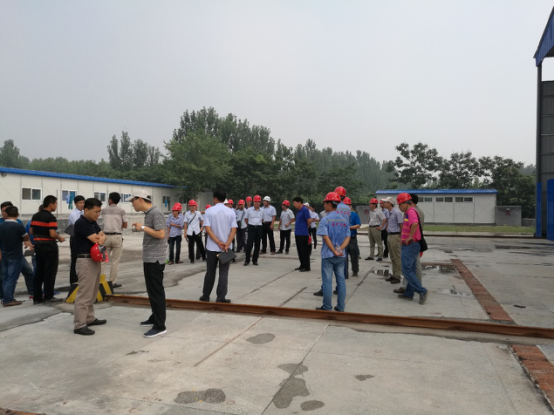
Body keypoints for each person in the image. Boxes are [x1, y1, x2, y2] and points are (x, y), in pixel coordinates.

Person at [129, 190, 168, 338]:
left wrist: (143, 228)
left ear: (140, 199)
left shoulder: (155, 213)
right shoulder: (149, 214)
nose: (132, 204)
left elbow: (161, 234)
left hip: (155, 259)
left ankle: (160, 325)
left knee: (156, 292)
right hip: (150, 258)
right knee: (152, 291)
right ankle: (154, 317)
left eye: (133, 201)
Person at [73, 198, 107, 335]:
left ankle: (89, 318)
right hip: (85, 261)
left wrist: (101, 237)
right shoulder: (81, 223)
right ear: (86, 210)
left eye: (99, 212)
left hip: (94, 260)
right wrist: (100, 237)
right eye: (96, 212)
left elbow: (102, 235)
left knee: (92, 292)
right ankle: (79, 325)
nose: (98, 214)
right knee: (85, 294)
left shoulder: (92, 222)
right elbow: (97, 239)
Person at [199, 190, 237, 303]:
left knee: (210, 272)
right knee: (223, 273)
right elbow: (233, 230)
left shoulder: (209, 211)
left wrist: (217, 242)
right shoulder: (231, 212)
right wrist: (227, 244)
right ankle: (221, 297)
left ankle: (206, 296)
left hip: (212, 247)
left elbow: (208, 229)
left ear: (215, 198)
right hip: (226, 249)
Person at [315, 192, 350, 312]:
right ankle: (341, 307)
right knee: (341, 281)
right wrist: (340, 249)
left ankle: (327, 306)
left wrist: (333, 251)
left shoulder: (325, 220)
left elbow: (325, 237)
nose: (324, 205)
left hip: (328, 255)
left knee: (327, 281)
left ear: (329, 204)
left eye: (325, 203)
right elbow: (347, 237)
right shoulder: (344, 220)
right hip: (341, 255)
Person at [31, 195, 65, 304]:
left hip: (38, 247)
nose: (56, 206)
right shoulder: (51, 217)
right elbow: (52, 234)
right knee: (50, 272)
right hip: (50, 248)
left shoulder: (35, 216)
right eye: (56, 204)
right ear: (51, 205)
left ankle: (37, 297)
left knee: (39, 272)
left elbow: (31, 231)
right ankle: (48, 296)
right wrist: (60, 238)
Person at [397, 193, 429, 305]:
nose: (399, 207)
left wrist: (410, 237)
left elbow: (414, 224)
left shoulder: (411, 211)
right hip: (412, 244)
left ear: (406, 203)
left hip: (411, 245)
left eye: (400, 204)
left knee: (406, 269)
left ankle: (422, 291)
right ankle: (409, 294)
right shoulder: (409, 211)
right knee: (411, 270)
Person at [1, 201, 34, 300]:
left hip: (16, 254)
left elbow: (23, 237)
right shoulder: (2, 223)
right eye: (3, 211)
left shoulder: (18, 222)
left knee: (28, 272)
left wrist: (27, 243)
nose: (4, 213)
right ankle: (6, 298)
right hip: (6, 254)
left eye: (6, 210)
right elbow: (25, 236)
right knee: (8, 277)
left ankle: (33, 293)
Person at [101, 192, 127, 288]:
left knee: (103, 260)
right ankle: (112, 282)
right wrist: (117, 226)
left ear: (110, 200)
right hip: (117, 236)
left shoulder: (104, 210)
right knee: (115, 261)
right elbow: (125, 225)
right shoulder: (121, 211)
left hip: (105, 237)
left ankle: (100, 281)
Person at [382, 197, 403, 285]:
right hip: (390, 235)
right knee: (392, 257)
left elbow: (401, 225)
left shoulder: (397, 213)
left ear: (390, 203)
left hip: (395, 236)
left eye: (385, 202)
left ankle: (397, 276)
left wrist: (401, 237)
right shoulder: (389, 213)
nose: (384, 203)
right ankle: (394, 274)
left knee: (396, 257)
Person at [292, 197, 313, 272]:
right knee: (300, 250)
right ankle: (302, 264)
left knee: (304, 251)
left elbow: (308, 221)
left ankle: (306, 266)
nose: (294, 204)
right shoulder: (299, 211)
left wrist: (305, 229)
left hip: (303, 234)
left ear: (299, 202)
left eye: (295, 203)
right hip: (298, 233)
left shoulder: (305, 210)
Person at [68, 195, 85, 285]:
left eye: (83, 203)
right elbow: (79, 226)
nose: (82, 204)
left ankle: (81, 277)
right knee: (75, 259)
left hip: (83, 238)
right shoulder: (73, 214)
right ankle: (73, 280)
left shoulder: (84, 213)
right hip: (75, 238)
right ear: (75, 204)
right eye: (80, 203)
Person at [244, 195, 263, 266]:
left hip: (259, 228)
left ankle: (255, 260)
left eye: (258, 202)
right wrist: (249, 225)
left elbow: (262, 219)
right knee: (249, 244)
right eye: (255, 202)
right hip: (251, 228)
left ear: (260, 203)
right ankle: (247, 260)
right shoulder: (249, 210)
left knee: (257, 244)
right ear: (253, 202)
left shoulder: (262, 211)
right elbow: (246, 219)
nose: (256, 203)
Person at [344, 197, 361, 277]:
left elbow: (358, 225)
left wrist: (349, 227)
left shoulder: (354, 215)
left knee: (354, 256)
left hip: (352, 238)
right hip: (343, 238)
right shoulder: (341, 215)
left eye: (347, 205)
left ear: (350, 206)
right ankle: (345, 273)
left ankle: (355, 270)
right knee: (344, 257)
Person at [366, 198, 386, 262]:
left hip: (376, 227)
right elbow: (370, 219)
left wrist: (381, 227)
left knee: (379, 242)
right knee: (371, 243)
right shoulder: (371, 212)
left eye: (371, 204)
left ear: (374, 204)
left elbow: (384, 219)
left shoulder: (378, 211)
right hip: (370, 227)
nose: (370, 205)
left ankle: (380, 256)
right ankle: (371, 256)